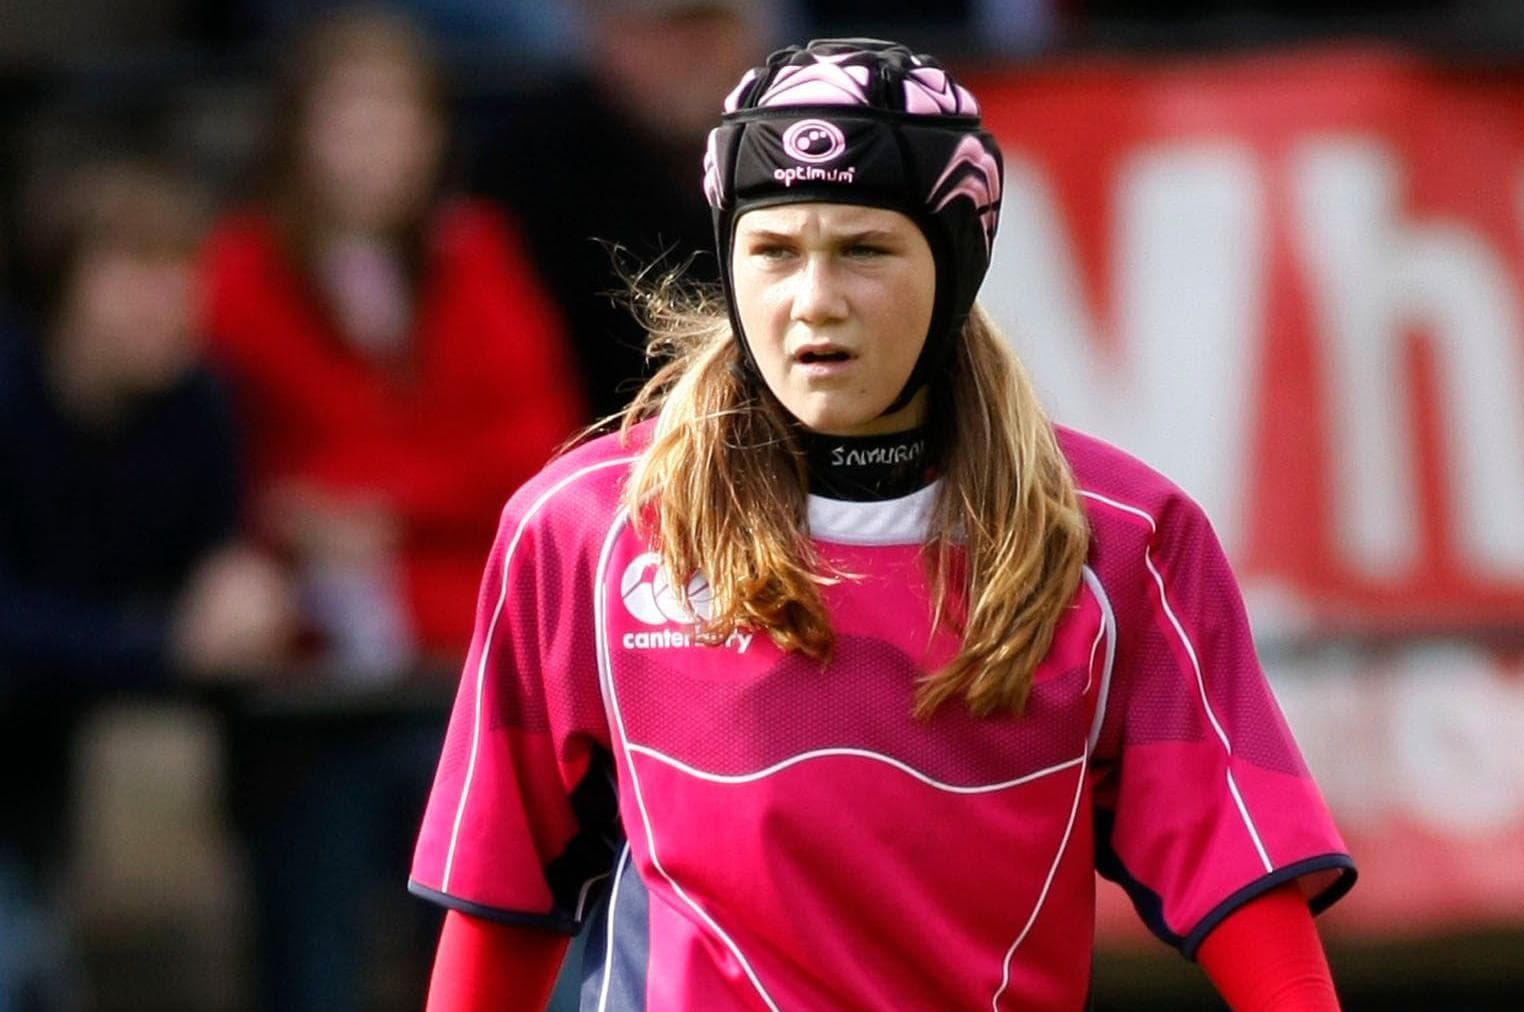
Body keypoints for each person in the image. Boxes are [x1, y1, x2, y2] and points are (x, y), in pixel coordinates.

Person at [411, 38, 1356, 1011]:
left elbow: (1250, 894)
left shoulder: (1123, 542)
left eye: (863, 250)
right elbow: (498, 904)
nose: (814, 300)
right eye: (774, 251)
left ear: (956, 263)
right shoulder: (579, 529)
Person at [200, 10, 582, 1010]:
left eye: (395, 119)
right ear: (297, 132)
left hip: (458, 662)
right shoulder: (239, 273)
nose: (373, 147)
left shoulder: (479, 255)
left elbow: (537, 445)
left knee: (486, 924)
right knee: (313, 924)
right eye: (348, 118)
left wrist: (384, 501)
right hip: (309, 671)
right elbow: (256, 472)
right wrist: (318, 515)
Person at [0, 159, 293, 1010]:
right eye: (131, 274)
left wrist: (243, 600)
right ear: (61, 285)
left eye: (178, 275)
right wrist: (159, 642)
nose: (163, 302)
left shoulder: (199, 405)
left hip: (118, 724)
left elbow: (219, 577)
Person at [470, 0, 763, 418]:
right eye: (666, 33)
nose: (694, 56)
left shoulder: (800, 152)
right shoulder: (526, 166)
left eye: (711, 30)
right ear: (603, 34)